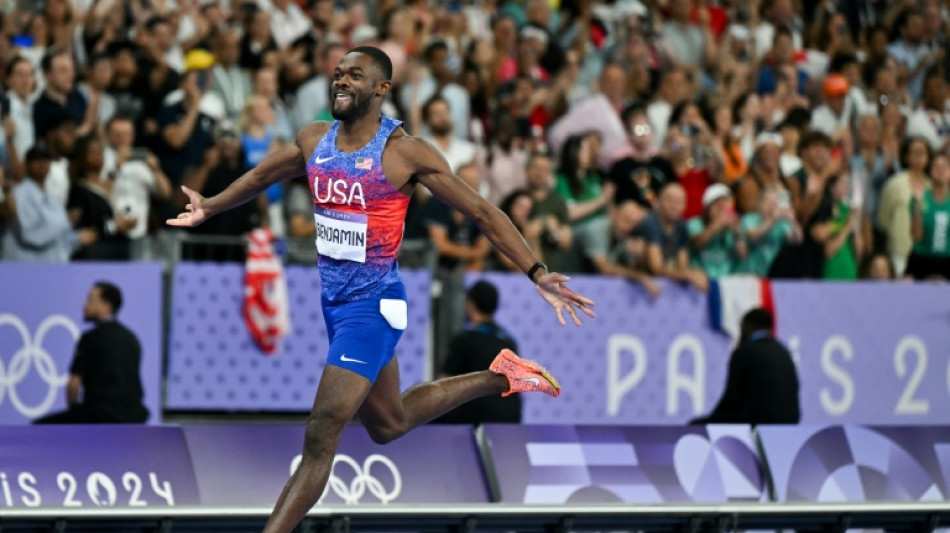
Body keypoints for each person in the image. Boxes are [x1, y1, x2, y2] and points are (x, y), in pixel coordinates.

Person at [167, 46, 594, 533]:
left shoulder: (404, 153)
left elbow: (481, 213)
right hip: (335, 306)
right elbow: (265, 175)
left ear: (382, 88)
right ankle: (501, 377)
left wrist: (537, 271)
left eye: (355, 75)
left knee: (322, 431)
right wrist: (211, 206)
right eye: (338, 73)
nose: (341, 81)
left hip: (374, 307)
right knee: (387, 425)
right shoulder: (313, 140)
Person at [35, 282, 149, 424]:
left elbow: (73, 385)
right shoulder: (132, 339)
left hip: (99, 416)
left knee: (39, 427)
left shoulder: (90, 338)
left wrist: (74, 411)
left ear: (106, 305)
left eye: (90, 300)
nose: (85, 305)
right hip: (134, 416)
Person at [690, 308, 800, 425]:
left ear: (746, 327)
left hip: (757, 425)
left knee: (695, 426)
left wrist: (708, 422)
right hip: (790, 423)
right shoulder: (784, 352)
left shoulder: (744, 352)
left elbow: (731, 401)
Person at [436, 280, 522, 424]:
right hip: (509, 419)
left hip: (473, 420)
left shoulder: (463, 340)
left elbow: (442, 386)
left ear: (471, 304)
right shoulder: (509, 342)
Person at [1, 144, 94, 261]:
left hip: (51, 269)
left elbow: (60, 240)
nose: (42, 163)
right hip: (24, 271)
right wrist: (66, 222)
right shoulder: (19, 195)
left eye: (46, 159)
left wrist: (77, 238)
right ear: (27, 165)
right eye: (37, 159)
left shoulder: (53, 198)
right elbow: (30, 235)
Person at [908, 152, 950, 279]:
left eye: (944, 167)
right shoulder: (920, 198)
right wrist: (917, 206)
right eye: (936, 167)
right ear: (930, 171)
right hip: (923, 260)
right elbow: (916, 237)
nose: (940, 171)